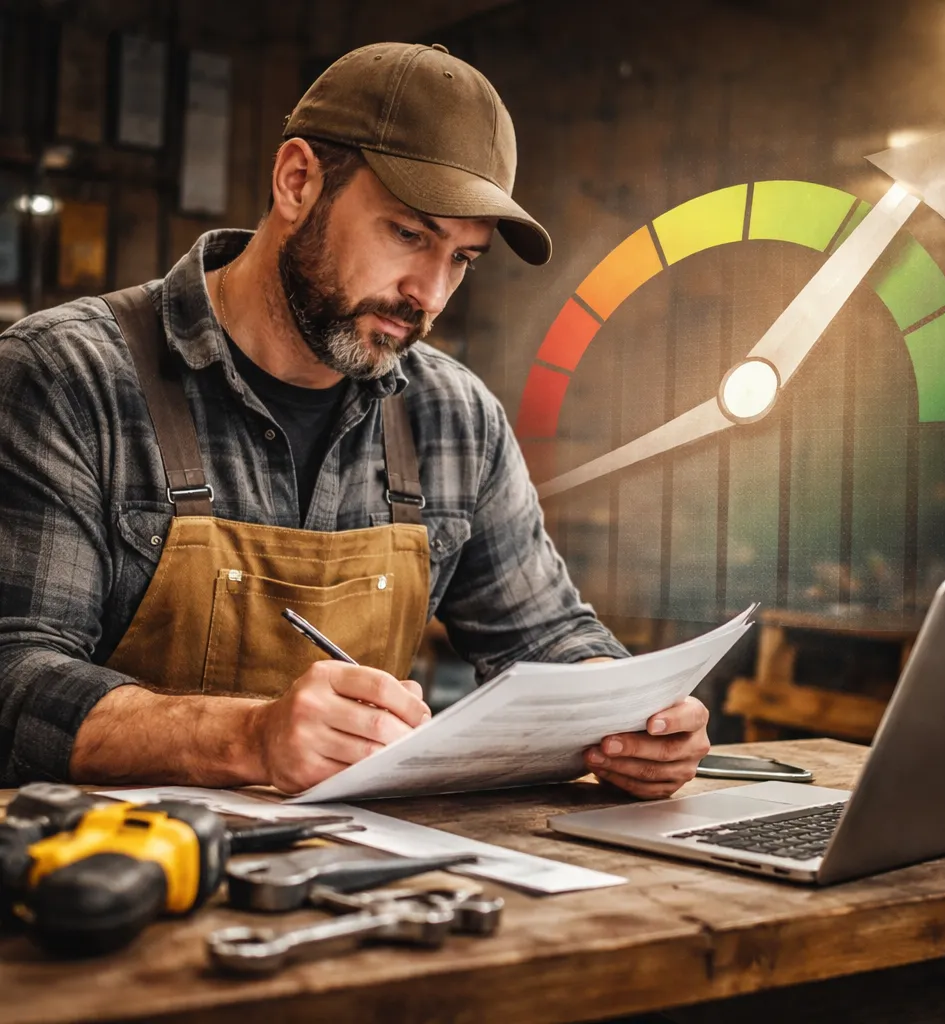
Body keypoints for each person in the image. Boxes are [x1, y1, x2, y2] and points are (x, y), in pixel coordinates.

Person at [0, 42, 709, 798]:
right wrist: (246, 738)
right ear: (298, 181)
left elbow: (546, 637)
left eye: (462, 259)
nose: (429, 294)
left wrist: (631, 714)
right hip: (111, 885)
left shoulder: (453, 418)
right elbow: (15, 676)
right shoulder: (66, 376)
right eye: (409, 234)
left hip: (367, 874)